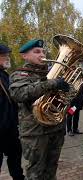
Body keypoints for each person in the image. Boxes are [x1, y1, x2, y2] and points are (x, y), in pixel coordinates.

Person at [9, 39, 70, 179]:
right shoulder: (20, 74)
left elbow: (63, 100)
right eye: (37, 52)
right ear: (24, 56)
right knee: (36, 172)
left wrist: (68, 90)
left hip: (55, 128)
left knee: (51, 168)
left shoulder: (51, 73)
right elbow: (19, 94)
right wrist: (52, 83)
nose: (42, 54)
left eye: (43, 51)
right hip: (35, 133)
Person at [0, 44, 24, 180]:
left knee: (15, 155)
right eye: (4, 55)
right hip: (2, 128)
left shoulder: (4, 74)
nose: (7, 57)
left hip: (10, 128)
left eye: (7, 55)